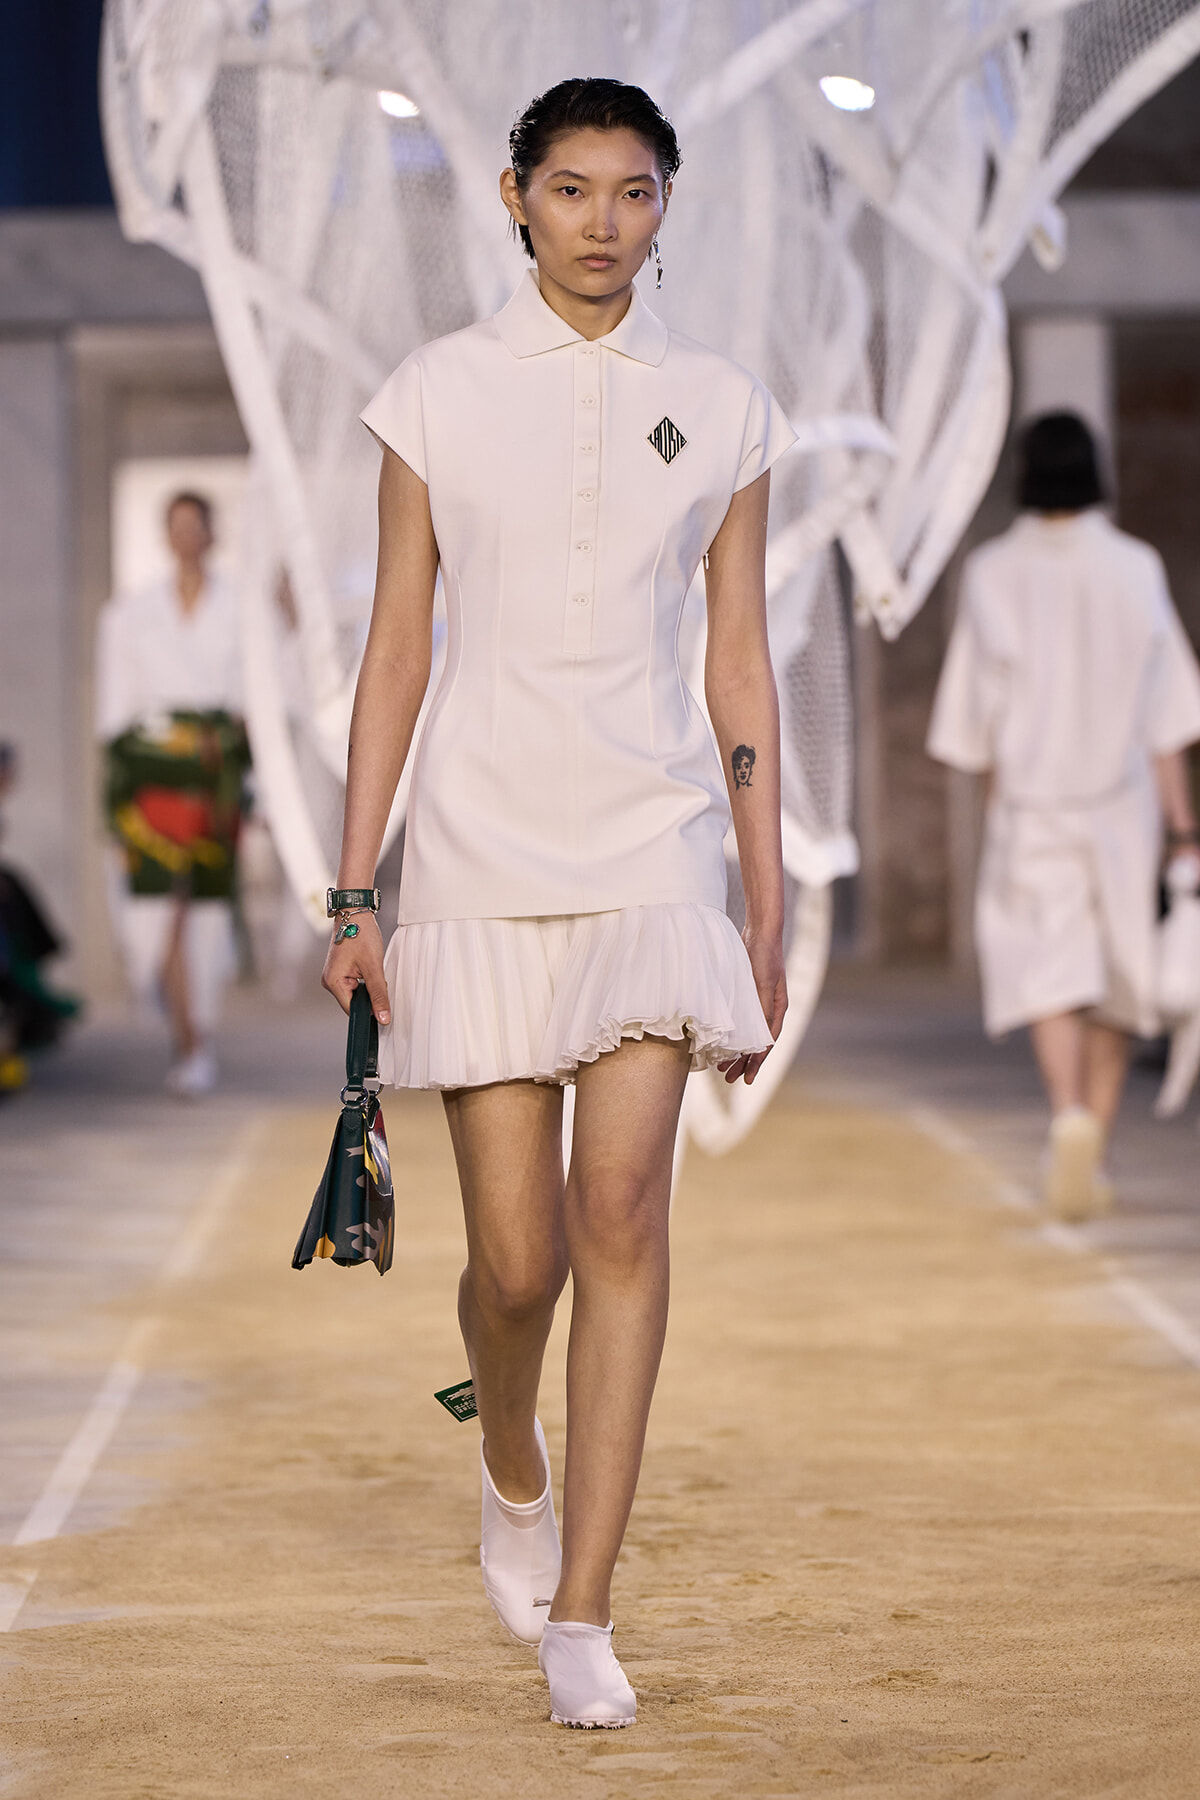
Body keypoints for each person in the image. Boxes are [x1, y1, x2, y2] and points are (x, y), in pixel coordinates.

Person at [322, 78, 793, 1729]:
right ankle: (505, 1452)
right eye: (575, 188)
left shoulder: (722, 406)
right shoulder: (437, 396)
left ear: (670, 208)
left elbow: (739, 658)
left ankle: (586, 1610)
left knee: (626, 1220)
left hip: (654, 845)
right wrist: (351, 882)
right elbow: (397, 649)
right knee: (513, 1267)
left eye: (637, 192)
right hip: (473, 850)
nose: (605, 220)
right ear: (516, 198)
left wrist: (764, 889)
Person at [928, 412, 1200, 1220]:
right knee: (1119, 981)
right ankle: (1101, 1144)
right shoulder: (1135, 566)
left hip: (1031, 807)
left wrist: (993, 815)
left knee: (1048, 973)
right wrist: (1184, 830)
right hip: (1121, 807)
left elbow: (978, 716)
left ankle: (1068, 1115)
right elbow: (1165, 716)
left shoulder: (992, 571)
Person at [96, 492, 249, 1097]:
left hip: (215, 780)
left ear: (211, 533)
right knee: (155, 919)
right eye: (177, 526)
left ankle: (196, 1042)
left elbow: (253, 702)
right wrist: (116, 801)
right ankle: (183, 1029)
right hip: (152, 779)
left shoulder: (239, 608)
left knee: (201, 913)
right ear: (166, 535)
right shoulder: (128, 615)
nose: (187, 537)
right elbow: (113, 715)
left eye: (197, 526)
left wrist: (248, 784)